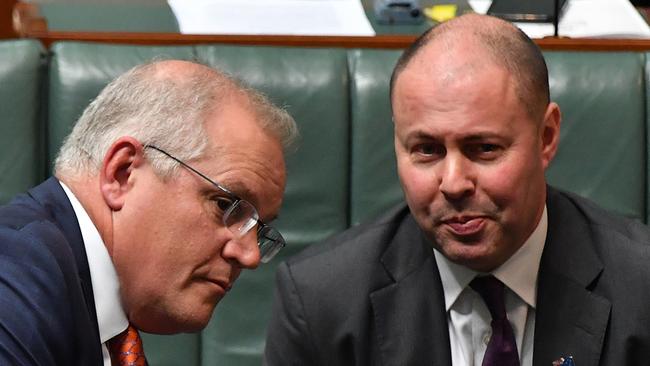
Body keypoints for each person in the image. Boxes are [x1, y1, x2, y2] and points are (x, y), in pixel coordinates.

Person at [264, 13, 650, 366]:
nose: (453, 183)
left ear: (546, 137)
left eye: (484, 149)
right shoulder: (320, 303)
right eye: (426, 150)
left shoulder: (640, 285)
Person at [0, 59, 298, 365]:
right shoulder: (12, 272)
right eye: (226, 205)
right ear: (122, 173)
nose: (249, 256)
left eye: (259, 230)